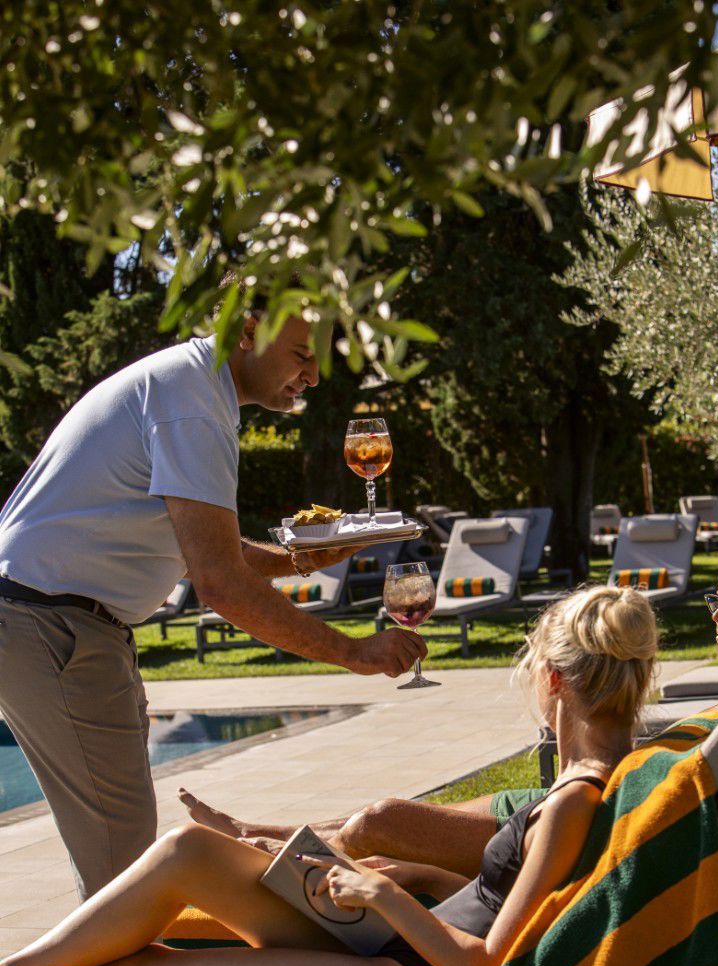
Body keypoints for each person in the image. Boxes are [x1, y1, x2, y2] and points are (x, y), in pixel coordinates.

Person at [0, 585, 657, 966]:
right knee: (187, 850)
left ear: (554, 679)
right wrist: (419, 878)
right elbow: (511, 902)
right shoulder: (596, 782)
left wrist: (382, 895)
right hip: (398, 951)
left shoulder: (575, 800)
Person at [0, 295, 425, 901]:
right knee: (123, 875)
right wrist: (353, 652)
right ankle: (98, 964)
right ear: (248, 330)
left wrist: (300, 558)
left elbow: (204, 543)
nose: (312, 376)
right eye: (301, 355)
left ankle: (106, 958)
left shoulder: (189, 387)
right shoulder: (192, 406)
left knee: (117, 862)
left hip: (54, 621)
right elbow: (220, 582)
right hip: (54, 626)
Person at [179, 544, 718, 879]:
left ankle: (265, 860)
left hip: (603, 820)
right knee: (379, 817)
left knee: (379, 824)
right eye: (716, 599)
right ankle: (254, 833)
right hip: (600, 801)